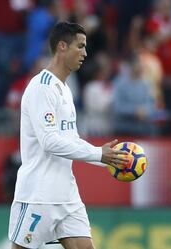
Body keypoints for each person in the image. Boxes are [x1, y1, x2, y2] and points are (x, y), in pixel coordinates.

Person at [8, 22, 128, 249]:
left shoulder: (64, 88)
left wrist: (109, 159)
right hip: (38, 195)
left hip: (67, 195)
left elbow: (70, 140)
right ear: (62, 46)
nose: (85, 53)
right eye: (80, 46)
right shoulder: (40, 88)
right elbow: (49, 142)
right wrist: (97, 154)